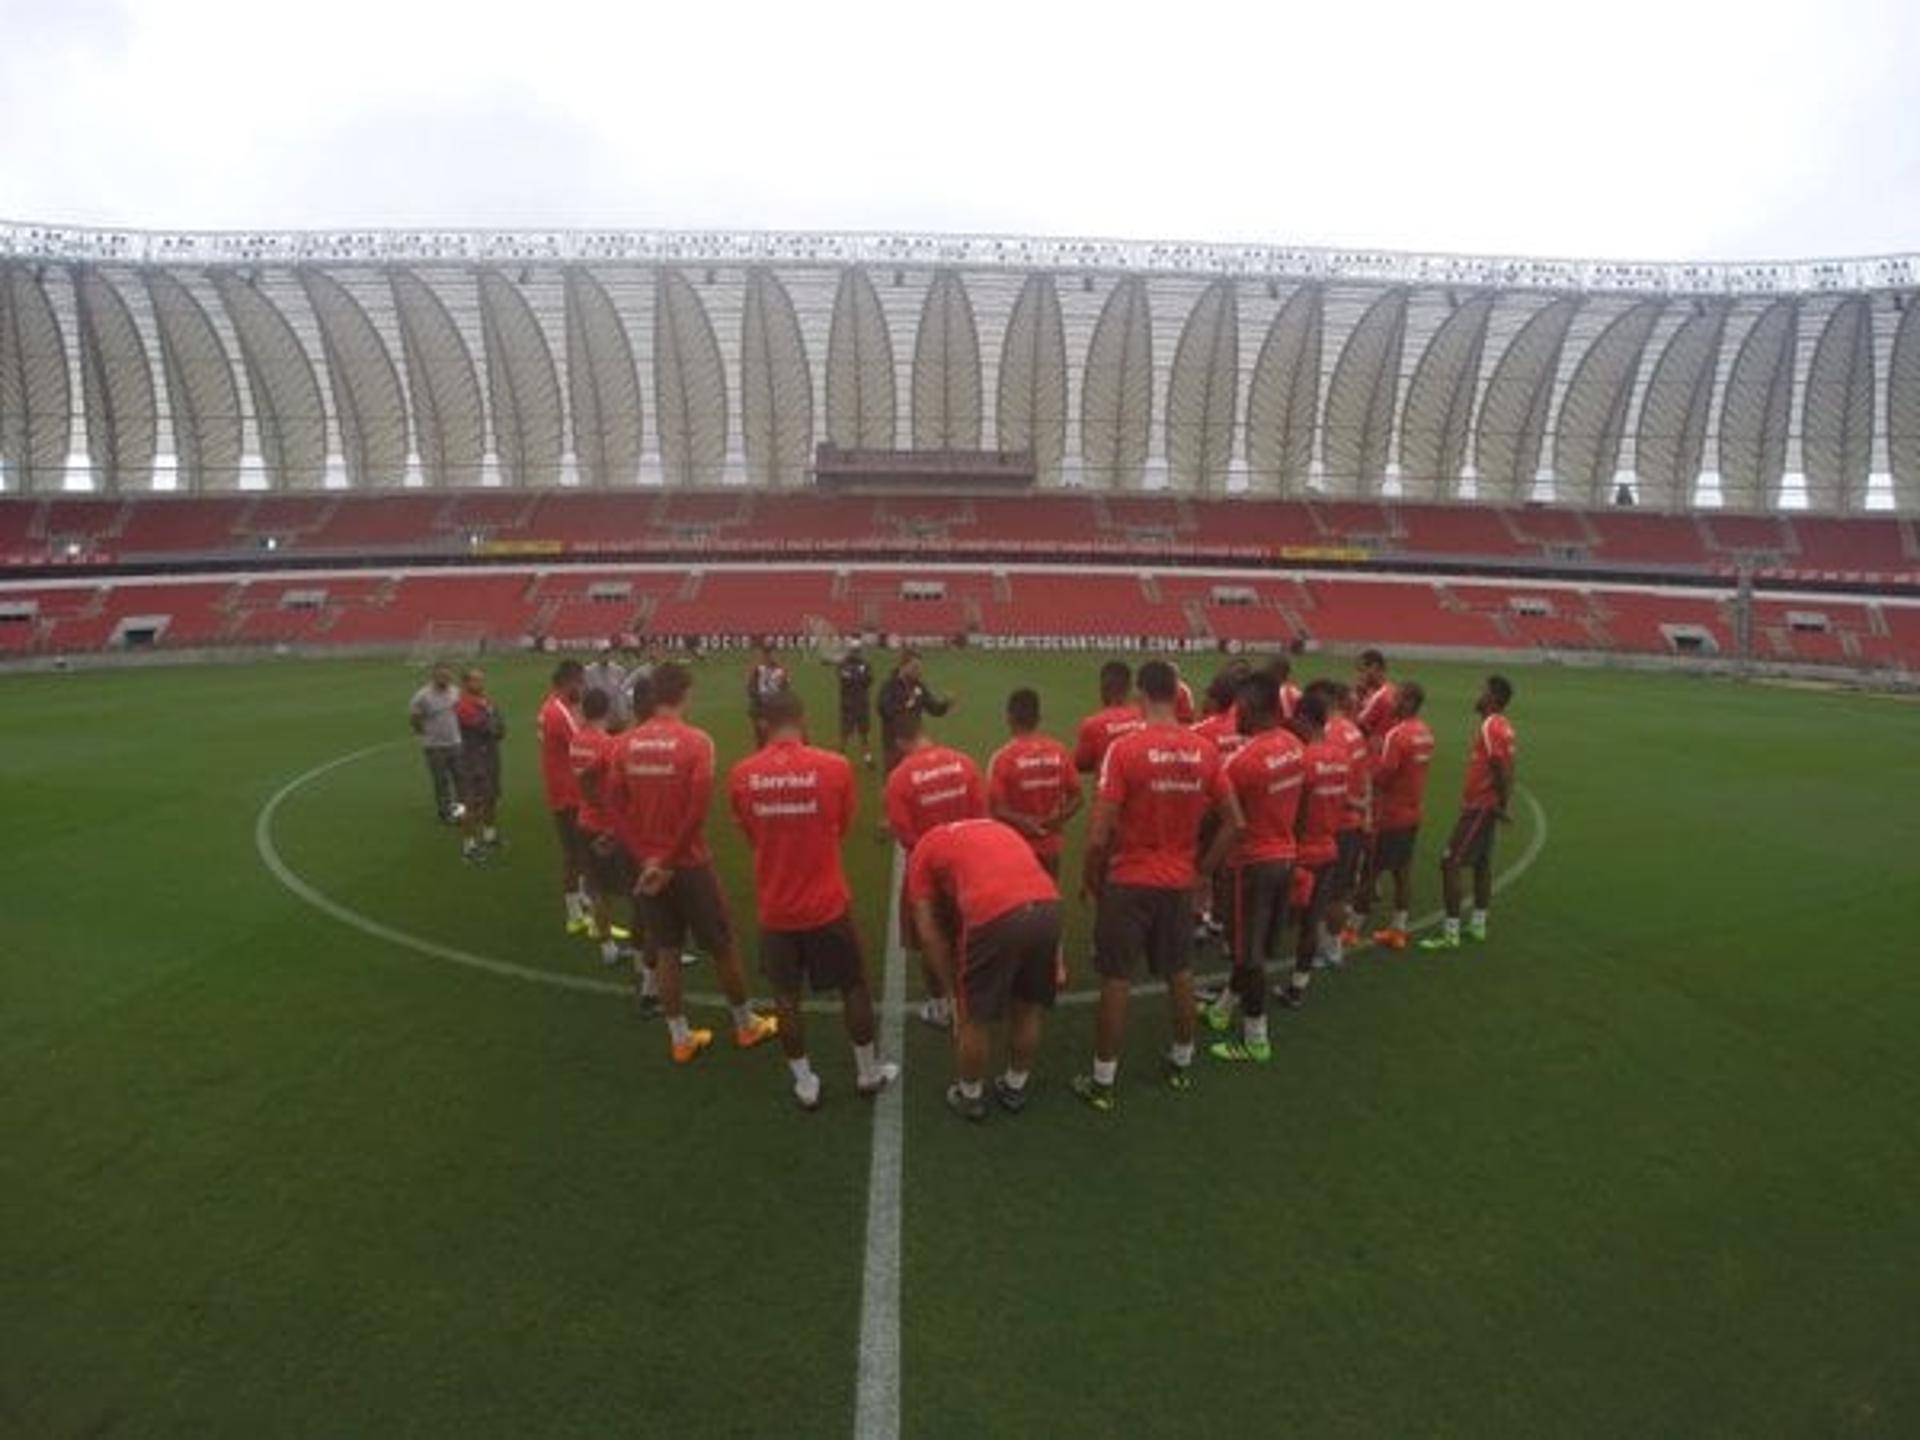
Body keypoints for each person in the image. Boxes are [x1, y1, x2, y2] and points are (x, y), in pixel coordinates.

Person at [1073, 659, 1244, 1111]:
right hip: (1177, 880)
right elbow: (1234, 823)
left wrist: (1091, 878)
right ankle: (1182, 1064)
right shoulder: (1203, 750)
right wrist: (1201, 871)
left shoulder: (1125, 750)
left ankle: (1103, 1081)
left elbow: (1098, 834)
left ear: (1141, 696)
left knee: (1116, 977)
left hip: (1129, 879)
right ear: (1175, 694)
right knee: (1179, 972)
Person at [729, 690, 899, 1110]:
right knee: (853, 986)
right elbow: (842, 826)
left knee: (786, 998)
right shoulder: (835, 767)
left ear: (763, 724)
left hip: (776, 909)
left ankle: (805, 1083)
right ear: (802, 719)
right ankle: (867, 1072)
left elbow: (751, 834)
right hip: (827, 904)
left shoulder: (742, 775)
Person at [607, 662, 779, 1063]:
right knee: (722, 944)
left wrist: (644, 857)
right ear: (684, 693)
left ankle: (680, 1038)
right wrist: (667, 859)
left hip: (647, 866)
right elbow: (696, 811)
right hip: (688, 863)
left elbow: (613, 805)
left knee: (665, 948)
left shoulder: (623, 744)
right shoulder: (697, 742)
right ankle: (745, 1025)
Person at [908, 819, 1063, 1121]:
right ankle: (1015, 1086)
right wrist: (1057, 957)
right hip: (1048, 908)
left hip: (995, 914)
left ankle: (970, 1095)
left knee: (973, 1017)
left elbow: (927, 932)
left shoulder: (923, 851)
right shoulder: (999, 828)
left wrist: (952, 994)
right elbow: (1038, 884)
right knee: (1028, 1007)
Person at [1204, 672, 1305, 1063]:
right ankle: (1223, 1008)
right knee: (1257, 946)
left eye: (1240, 708)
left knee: (1249, 954)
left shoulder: (1243, 761)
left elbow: (1221, 818)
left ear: (1254, 708)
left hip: (1252, 865)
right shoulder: (1294, 745)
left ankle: (1255, 1038)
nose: (1236, 716)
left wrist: (1203, 866)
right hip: (1284, 856)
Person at [883, 710, 987, 1030]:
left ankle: (940, 1005)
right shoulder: (964, 763)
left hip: (925, 874)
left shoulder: (900, 778)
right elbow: (981, 817)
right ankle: (975, 996)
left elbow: (905, 836)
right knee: (967, 935)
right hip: (966, 869)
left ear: (900, 740)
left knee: (929, 940)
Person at [1421, 676, 1518, 951]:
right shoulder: (1506, 726)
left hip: (1479, 807)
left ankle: (1450, 933)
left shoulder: (1490, 725)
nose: (1478, 695)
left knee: (1450, 863)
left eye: (1483, 691)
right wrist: (1504, 802)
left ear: (1493, 698)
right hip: (1487, 806)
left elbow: (1499, 766)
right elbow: (1511, 767)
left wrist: (1499, 802)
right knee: (1481, 865)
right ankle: (1478, 925)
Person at [1277, 691, 1349, 1010]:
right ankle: (1298, 986)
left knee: (1271, 921)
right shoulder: (1339, 756)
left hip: (1302, 853)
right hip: (1329, 847)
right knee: (1310, 923)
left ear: (1305, 719)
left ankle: (1241, 990)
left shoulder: (1304, 759)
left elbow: (1299, 811)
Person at [1359, 682, 1435, 950]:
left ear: (1410, 703)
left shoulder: (1397, 734)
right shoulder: (1426, 732)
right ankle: (1398, 930)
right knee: (1402, 871)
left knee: (1370, 871)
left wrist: (1369, 769)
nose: (1393, 703)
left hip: (1389, 815)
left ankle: (1351, 929)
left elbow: (1384, 776)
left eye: (1399, 699)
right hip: (1413, 812)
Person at [569, 688, 637, 968]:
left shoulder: (576, 741)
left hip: (584, 821)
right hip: (608, 827)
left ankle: (607, 946)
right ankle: (641, 948)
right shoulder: (607, 745)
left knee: (597, 889)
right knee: (635, 891)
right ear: (607, 710)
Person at [986, 688, 1081, 879]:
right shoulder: (1058, 751)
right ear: (1038, 718)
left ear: (1009, 717)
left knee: (1018, 902)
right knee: (1048, 898)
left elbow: (995, 808)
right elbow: (1077, 798)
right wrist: (1056, 820)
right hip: (1051, 847)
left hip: (1017, 847)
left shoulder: (1003, 758)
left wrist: (1025, 822)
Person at [538, 659, 592, 934]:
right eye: (581, 683)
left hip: (563, 789)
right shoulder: (559, 712)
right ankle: (574, 914)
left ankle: (580, 899)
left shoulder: (551, 707)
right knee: (574, 853)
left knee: (579, 851)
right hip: (568, 793)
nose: (582, 689)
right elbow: (583, 745)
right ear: (570, 682)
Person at [1320, 681, 1372, 964]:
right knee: (1339, 890)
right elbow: (1364, 777)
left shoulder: (1334, 732)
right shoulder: (1354, 731)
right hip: (1351, 822)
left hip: (1335, 823)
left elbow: (1331, 778)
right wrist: (1364, 809)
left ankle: (1329, 948)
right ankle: (1333, 946)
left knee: (1329, 892)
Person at [454, 667, 506, 863]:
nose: (480, 684)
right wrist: (492, 721)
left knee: (492, 797)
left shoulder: (488, 702)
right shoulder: (463, 706)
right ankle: (469, 847)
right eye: (475, 681)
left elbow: (500, 729)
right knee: (473, 803)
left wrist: (492, 722)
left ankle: (489, 835)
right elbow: (484, 727)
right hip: (473, 760)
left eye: (481, 680)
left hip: (491, 757)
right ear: (466, 684)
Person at [876, 649, 953, 773]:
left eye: (920, 667)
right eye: (915, 667)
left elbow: (934, 709)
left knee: (915, 779)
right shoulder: (889, 686)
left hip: (915, 743)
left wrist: (946, 703)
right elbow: (882, 709)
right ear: (903, 666)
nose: (919, 671)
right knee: (894, 779)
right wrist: (905, 704)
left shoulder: (919, 686)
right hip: (894, 745)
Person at [408, 662, 464, 823]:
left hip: (455, 742)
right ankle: (446, 813)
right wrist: (425, 734)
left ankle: (461, 812)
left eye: (447, 676)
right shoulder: (422, 696)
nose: (444, 679)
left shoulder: (455, 692)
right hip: (434, 746)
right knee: (441, 781)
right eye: (441, 676)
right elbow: (414, 718)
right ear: (433, 676)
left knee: (461, 779)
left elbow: (460, 712)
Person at [1072, 661, 1144, 775]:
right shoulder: (1145, 717)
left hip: (1109, 789)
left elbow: (1081, 763)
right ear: (1129, 687)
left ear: (1103, 688)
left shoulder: (1093, 724)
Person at [836, 641, 876, 768]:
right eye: (854, 650)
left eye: (857, 650)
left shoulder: (865, 664)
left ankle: (867, 758)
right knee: (845, 733)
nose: (856, 653)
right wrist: (858, 677)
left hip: (862, 703)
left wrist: (856, 677)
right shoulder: (843, 664)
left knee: (864, 733)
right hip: (848, 704)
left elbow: (869, 680)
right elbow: (845, 679)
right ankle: (839, 756)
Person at [746, 640, 791, 746]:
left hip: (777, 709)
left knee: (777, 739)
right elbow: (751, 688)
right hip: (761, 708)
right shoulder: (758, 669)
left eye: (772, 652)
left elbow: (786, 690)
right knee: (762, 740)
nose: (770, 656)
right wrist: (758, 708)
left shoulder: (781, 670)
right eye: (767, 653)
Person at [1354, 649, 1398, 745]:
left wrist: (1357, 696)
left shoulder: (1380, 697)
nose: (1359, 676)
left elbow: (1354, 726)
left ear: (1375, 668)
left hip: (1375, 754)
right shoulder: (1392, 690)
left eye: (1362, 671)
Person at [583, 648, 631, 729]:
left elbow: (625, 693)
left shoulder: (619, 671)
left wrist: (624, 714)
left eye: (607, 653)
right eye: (602, 653)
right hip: (598, 718)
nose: (604, 656)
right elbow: (584, 694)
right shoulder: (588, 672)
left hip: (616, 717)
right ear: (596, 655)